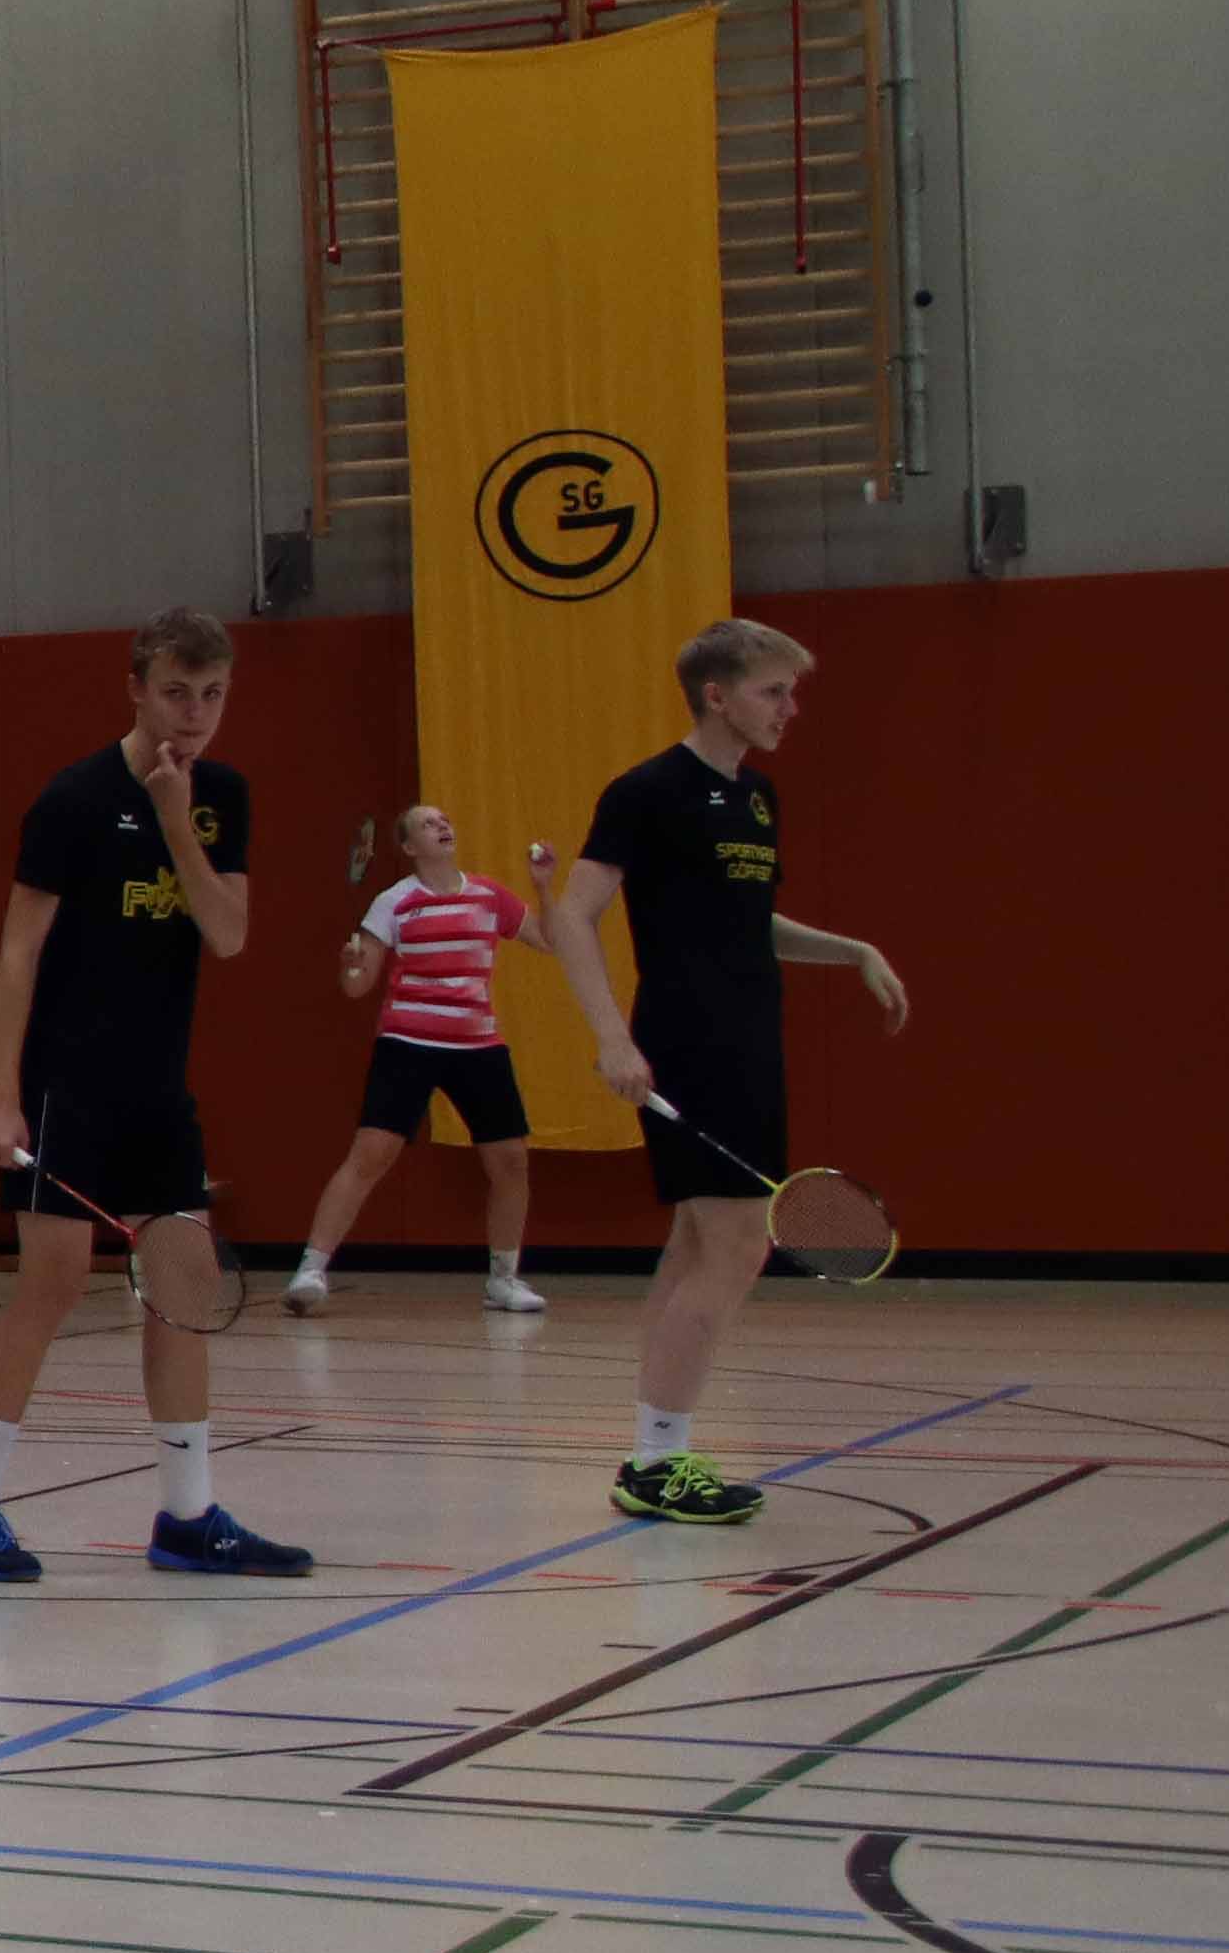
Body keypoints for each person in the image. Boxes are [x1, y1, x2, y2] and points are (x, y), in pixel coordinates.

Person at [0, 605, 309, 1584]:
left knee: (183, 1289)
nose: (195, 713)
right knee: (53, 1283)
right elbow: (15, 955)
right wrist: (2, 1096)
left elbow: (228, 932)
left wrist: (178, 821)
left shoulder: (222, 796)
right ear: (137, 687)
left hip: (158, 1089)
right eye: (177, 692)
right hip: (66, 1084)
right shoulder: (74, 798)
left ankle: (187, 1517)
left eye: (213, 695)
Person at [536, 616, 911, 1528]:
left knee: (697, 1248)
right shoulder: (648, 791)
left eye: (791, 692)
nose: (789, 709)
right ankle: (659, 1461)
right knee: (741, 1244)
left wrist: (853, 949)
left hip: (751, 1042)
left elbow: (748, 923)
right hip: (689, 1042)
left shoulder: (757, 799)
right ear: (717, 695)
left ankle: (654, 1455)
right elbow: (572, 916)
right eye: (772, 691)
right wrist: (610, 1039)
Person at [285, 806, 544, 1317]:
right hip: (407, 1042)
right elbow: (358, 987)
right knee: (371, 1154)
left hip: (478, 1045)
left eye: (444, 820)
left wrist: (544, 889)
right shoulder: (393, 902)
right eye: (428, 824)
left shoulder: (490, 896)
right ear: (408, 848)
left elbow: (551, 940)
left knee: (511, 1160)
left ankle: (503, 1280)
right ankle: (310, 1271)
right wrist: (349, 965)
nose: (442, 826)